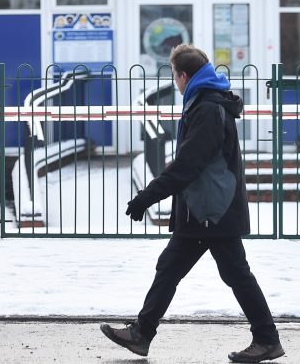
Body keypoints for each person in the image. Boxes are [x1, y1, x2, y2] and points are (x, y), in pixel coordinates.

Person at [101, 44, 284, 363]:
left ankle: (267, 339)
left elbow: (189, 163)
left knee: (234, 273)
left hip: (212, 209)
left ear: (184, 75)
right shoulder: (205, 102)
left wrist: (148, 195)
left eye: (175, 76)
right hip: (205, 207)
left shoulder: (208, 108)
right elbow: (190, 162)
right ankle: (142, 333)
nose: (175, 82)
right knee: (172, 268)